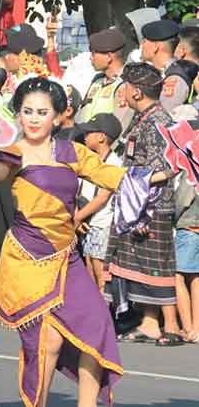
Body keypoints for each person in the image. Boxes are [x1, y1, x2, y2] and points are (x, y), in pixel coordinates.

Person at [0, 76, 171, 407]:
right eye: (27, 111)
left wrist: (164, 173)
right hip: (27, 261)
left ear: (58, 115)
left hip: (67, 258)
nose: (33, 118)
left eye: (41, 112)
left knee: (97, 327)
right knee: (47, 343)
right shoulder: (11, 154)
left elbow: (111, 177)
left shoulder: (72, 152)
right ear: (17, 114)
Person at [106, 62, 182, 347]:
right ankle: (150, 324)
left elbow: (166, 167)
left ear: (136, 91)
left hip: (151, 206)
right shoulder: (141, 118)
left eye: (126, 85)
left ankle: (171, 325)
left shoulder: (158, 120)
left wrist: (138, 188)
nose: (122, 91)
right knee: (137, 266)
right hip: (134, 203)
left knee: (158, 266)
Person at [75, 113, 124, 291]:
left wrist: (77, 218)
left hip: (103, 224)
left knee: (100, 272)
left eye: (90, 132)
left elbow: (102, 197)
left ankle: (105, 315)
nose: (85, 136)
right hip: (89, 223)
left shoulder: (114, 162)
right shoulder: (90, 160)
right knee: (89, 268)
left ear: (102, 137)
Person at [171, 114, 199, 343]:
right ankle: (197, 327)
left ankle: (188, 326)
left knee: (179, 276)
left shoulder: (190, 164)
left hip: (188, 225)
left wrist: (173, 214)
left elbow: (183, 198)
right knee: (196, 276)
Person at [78, 28, 126, 123]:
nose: (91, 58)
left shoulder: (124, 84)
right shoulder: (97, 81)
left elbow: (121, 123)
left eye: (94, 53)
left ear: (109, 57)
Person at [140, 19, 190, 112]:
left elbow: (164, 117)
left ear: (155, 47)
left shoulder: (174, 78)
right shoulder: (161, 73)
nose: (141, 45)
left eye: (144, 41)